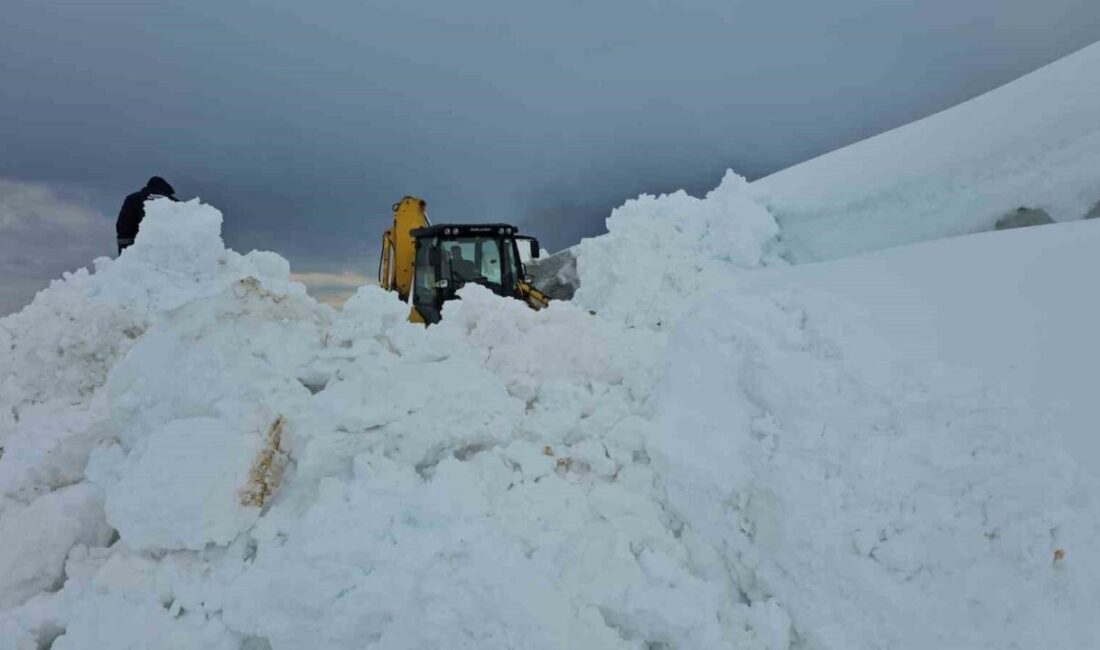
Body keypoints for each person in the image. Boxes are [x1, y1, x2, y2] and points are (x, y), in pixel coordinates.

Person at [116, 176, 177, 254]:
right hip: (168, 252)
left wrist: (124, 252)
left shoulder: (133, 199)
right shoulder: (175, 202)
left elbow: (123, 226)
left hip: (141, 251)